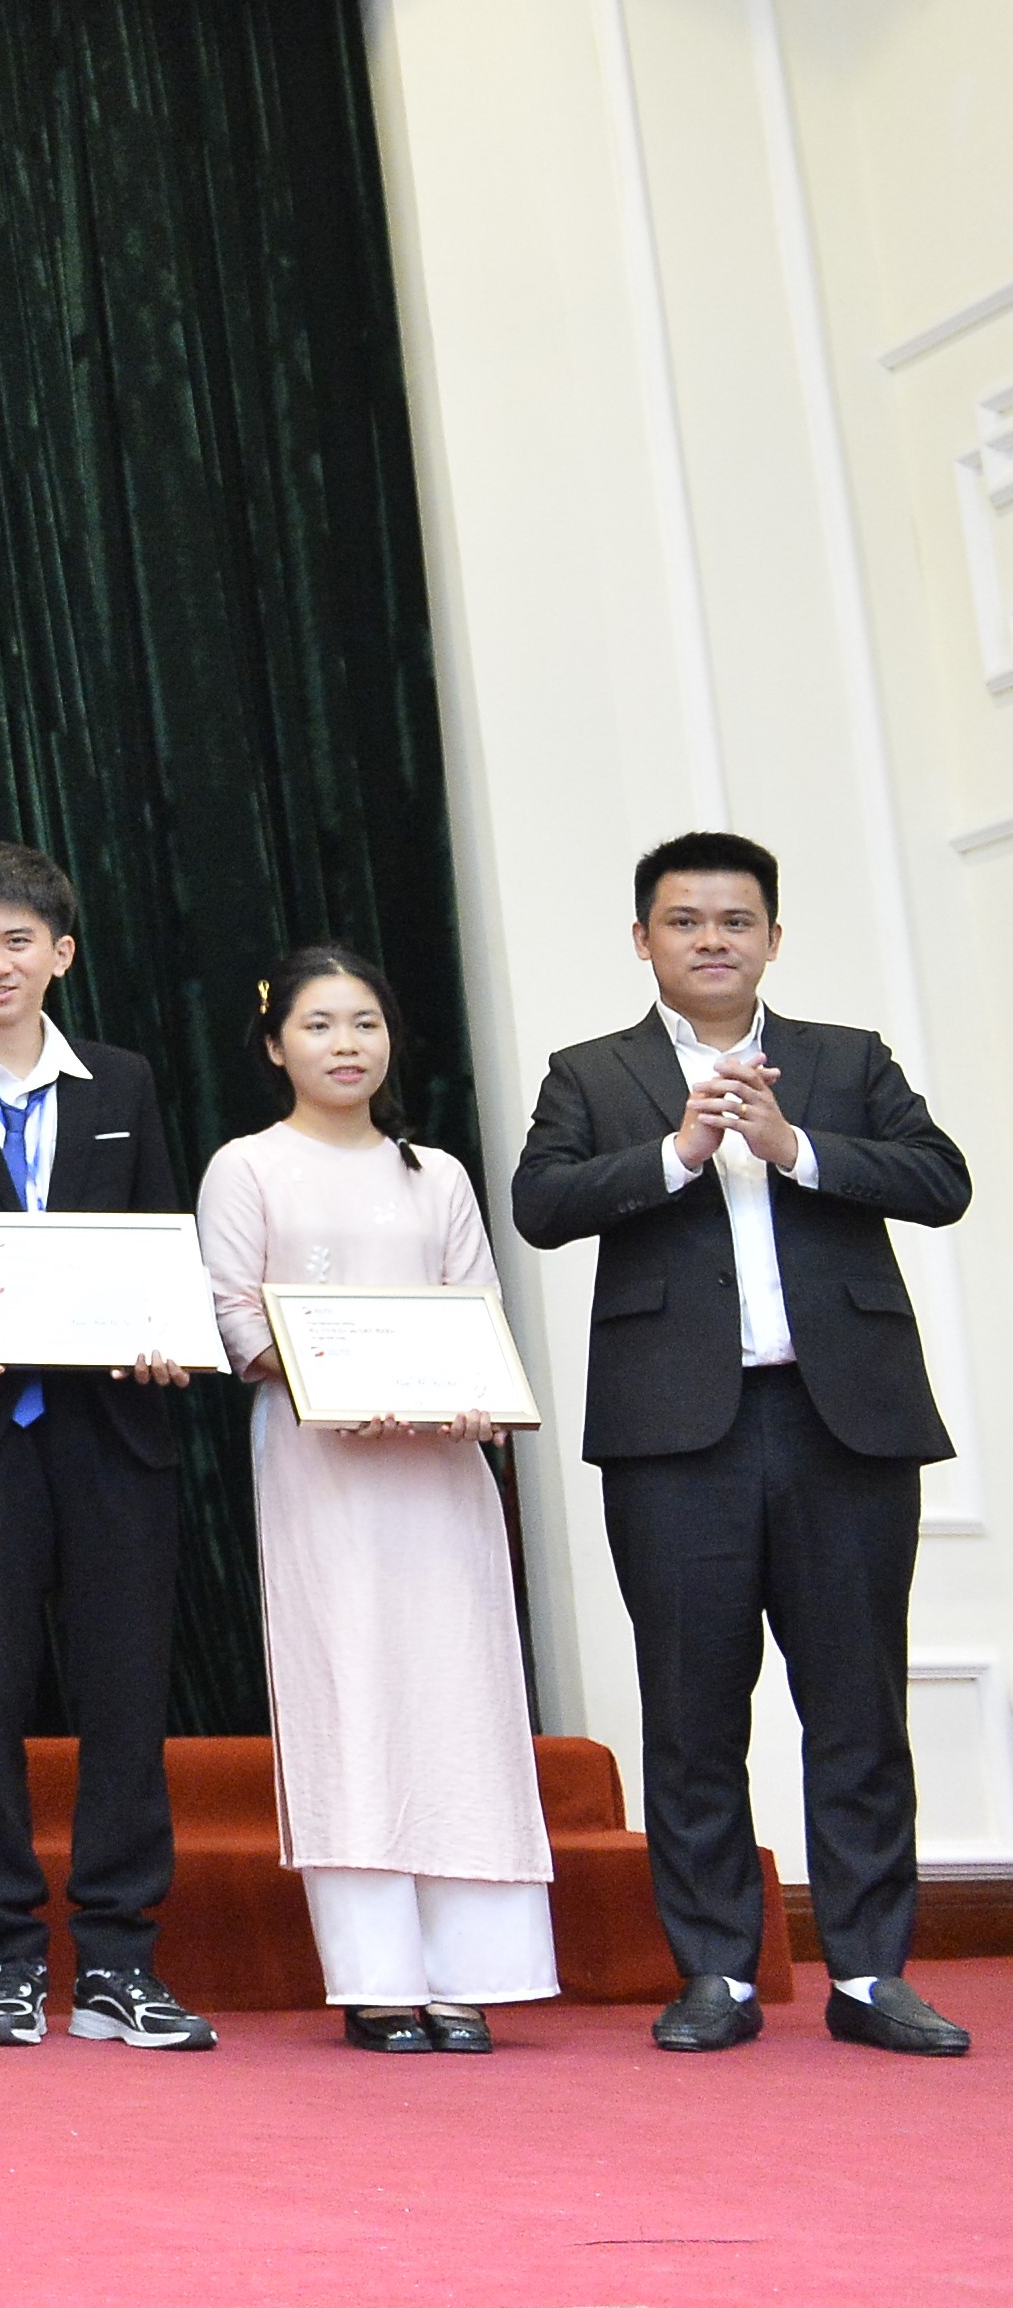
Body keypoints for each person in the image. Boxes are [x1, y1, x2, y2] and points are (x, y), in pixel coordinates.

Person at [507, 832, 975, 2057]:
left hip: (845, 1427)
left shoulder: (842, 1060)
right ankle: (714, 1970)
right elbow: (542, 1205)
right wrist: (679, 1153)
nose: (710, 938)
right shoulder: (593, 1071)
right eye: (683, 920)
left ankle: (871, 1973)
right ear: (643, 938)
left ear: (772, 934)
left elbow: (942, 1180)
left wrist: (794, 1148)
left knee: (859, 1708)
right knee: (694, 1708)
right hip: (677, 1440)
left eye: (734, 919)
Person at [0, 843, 211, 2049]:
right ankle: (6, 1953)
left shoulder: (119, 1081)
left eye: (18, 941)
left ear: (61, 953)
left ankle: (121, 1953)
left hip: (113, 1434)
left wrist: (169, 1333)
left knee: (125, 1699)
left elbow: (162, 1235)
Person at [200, 947, 559, 2054]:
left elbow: (477, 1311)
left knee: (457, 1694)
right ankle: (377, 1977)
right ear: (274, 1046)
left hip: (440, 1471)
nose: (345, 1044)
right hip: (322, 1466)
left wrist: (462, 1400)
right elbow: (231, 1313)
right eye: (318, 1025)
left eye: (365, 1022)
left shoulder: (436, 1173)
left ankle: (472, 1973)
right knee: (347, 1690)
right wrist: (333, 1385)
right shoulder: (247, 1166)